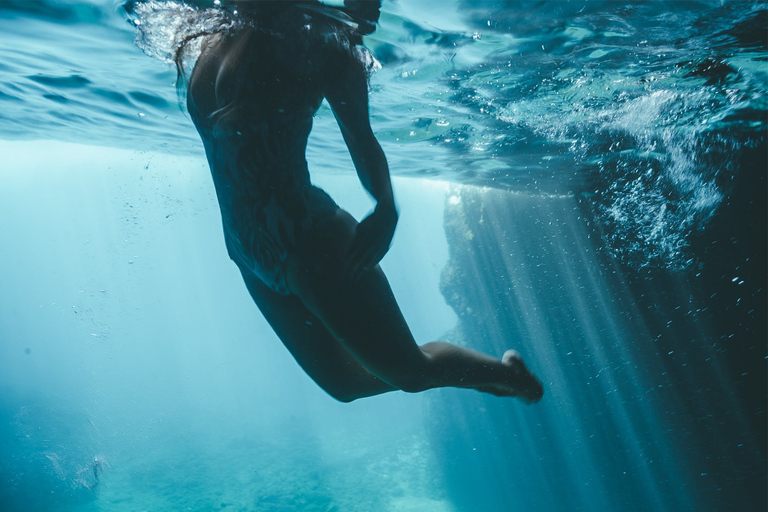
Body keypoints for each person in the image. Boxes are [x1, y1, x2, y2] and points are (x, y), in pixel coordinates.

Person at [158, 0, 544, 402]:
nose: (376, 9)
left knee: (412, 373)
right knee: (344, 385)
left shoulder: (317, 47)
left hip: (307, 240)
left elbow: (361, 137)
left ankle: (506, 375)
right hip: (247, 251)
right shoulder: (230, 34)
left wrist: (385, 206)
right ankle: (459, 372)